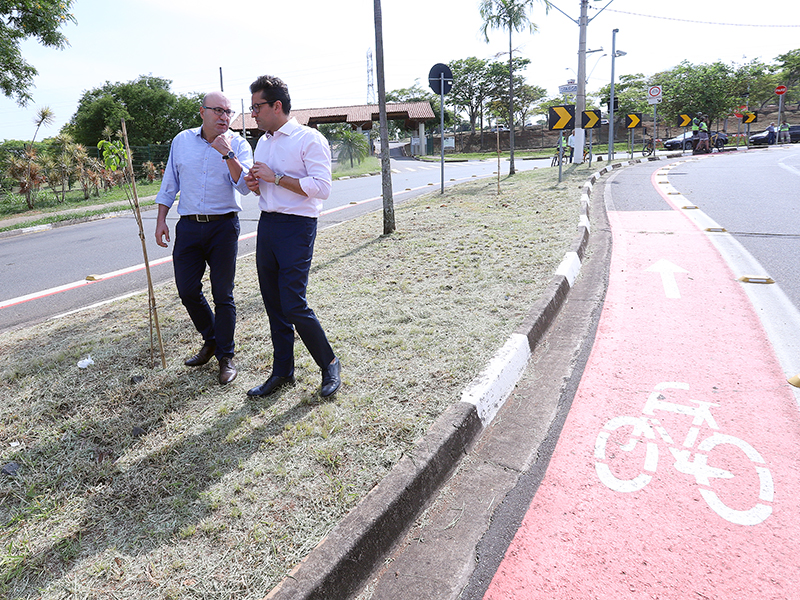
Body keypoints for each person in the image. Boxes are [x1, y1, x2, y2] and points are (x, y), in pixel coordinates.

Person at [244, 75, 341, 399]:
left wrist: (278, 177)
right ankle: (283, 371)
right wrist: (258, 182)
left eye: (257, 106)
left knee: (293, 304)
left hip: (298, 226)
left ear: (277, 105)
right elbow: (265, 182)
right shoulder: (264, 142)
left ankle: (329, 364)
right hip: (268, 225)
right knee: (273, 304)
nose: (253, 113)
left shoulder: (308, 139)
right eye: (252, 107)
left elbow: (322, 188)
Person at [155, 91, 253, 385]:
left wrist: (227, 152)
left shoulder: (238, 143)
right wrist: (161, 219)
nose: (224, 117)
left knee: (223, 294)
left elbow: (246, 186)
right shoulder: (181, 141)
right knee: (187, 290)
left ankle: (225, 356)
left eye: (228, 112)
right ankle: (210, 340)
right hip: (188, 226)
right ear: (202, 112)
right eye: (218, 111)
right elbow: (170, 181)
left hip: (223, 227)